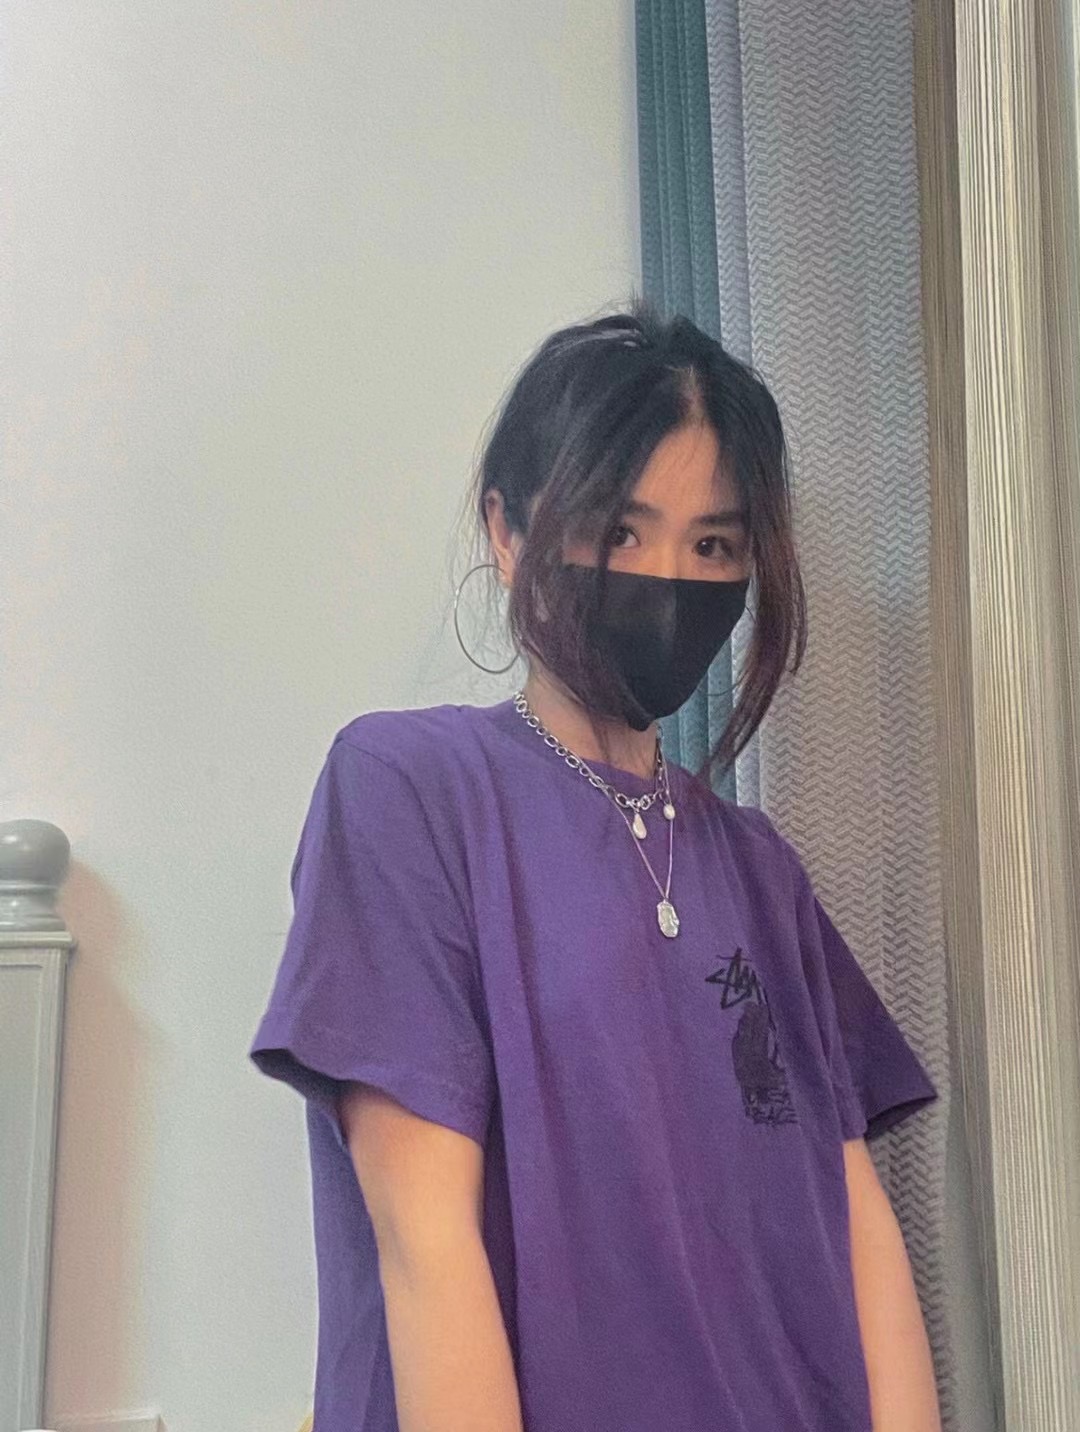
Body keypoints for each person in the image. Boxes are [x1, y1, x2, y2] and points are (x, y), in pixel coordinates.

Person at [249, 300, 941, 1432]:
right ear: (507, 530)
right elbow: (425, 1246)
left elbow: (860, 1233)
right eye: (620, 530)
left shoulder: (760, 867)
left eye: (713, 545)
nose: (667, 575)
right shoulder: (408, 789)